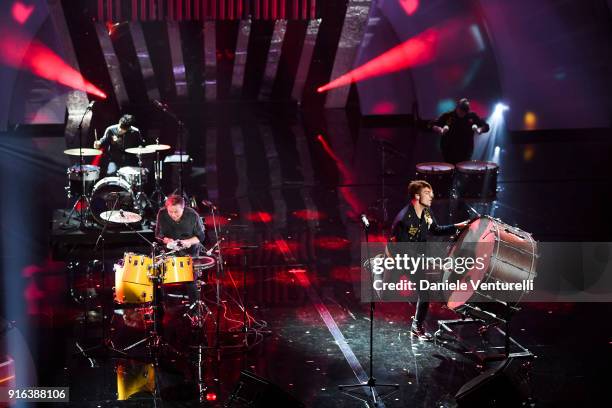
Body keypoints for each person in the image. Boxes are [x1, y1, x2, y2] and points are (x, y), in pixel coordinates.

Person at [389, 180, 467, 340]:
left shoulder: (426, 212)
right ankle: (416, 327)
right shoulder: (405, 219)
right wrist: (429, 262)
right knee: (424, 291)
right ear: (417, 196)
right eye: (427, 193)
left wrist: (458, 226)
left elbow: (436, 230)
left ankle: (418, 322)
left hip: (415, 255)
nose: (432, 196)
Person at [432, 98, 490, 164]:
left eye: (464, 112)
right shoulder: (448, 116)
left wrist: (480, 129)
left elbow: (486, 126)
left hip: (466, 151)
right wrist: (439, 129)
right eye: (460, 110)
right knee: (450, 170)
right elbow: (433, 124)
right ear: (457, 108)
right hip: (448, 150)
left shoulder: (472, 116)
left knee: (463, 171)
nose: (462, 113)